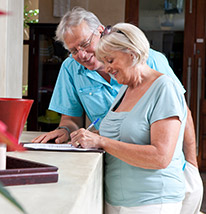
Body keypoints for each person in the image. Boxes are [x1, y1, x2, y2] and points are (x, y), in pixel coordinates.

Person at [31, 7, 203, 213]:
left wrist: (192, 166)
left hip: (157, 184)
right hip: (116, 180)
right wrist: (67, 130)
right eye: (73, 51)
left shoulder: (154, 67)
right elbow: (74, 120)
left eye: (85, 45)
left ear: (101, 32)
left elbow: (182, 115)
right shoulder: (80, 71)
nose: (82, 55)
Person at [70, 22, 186, 213]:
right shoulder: (125, 88)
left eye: (110, 60)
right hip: (116, 199)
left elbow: (160, 157)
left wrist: (101, 141)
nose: (107, 68)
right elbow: (121, 133)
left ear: (132, 54)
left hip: (152, 201)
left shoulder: (164, 88)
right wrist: (87, 137)